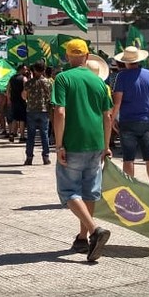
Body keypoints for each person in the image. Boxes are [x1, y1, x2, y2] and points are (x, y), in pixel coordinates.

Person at [51, 39, 113, 262]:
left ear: (68, 57)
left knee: (68, 192)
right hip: (96, 143)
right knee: (89, 192)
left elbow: (60, 113)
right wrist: (106, 146)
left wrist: (59, 145)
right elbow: (108, 117)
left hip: (73, 143)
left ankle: (95, 230)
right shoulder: (99, 83)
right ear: (87, 57)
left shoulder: (63, 78)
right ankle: (82, 238)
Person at [111, 46, 149, 185]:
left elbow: (117, 102)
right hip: (146, 121)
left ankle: (130, 188)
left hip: (127, 121)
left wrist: (113, 119)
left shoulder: (121, 77)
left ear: (125, 61)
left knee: (128, 159)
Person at [23, 61, 53, 165]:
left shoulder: (29, 83)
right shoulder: (49, 82)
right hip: (44, 111)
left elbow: (23, 96)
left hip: (31, 110)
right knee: (44, 134)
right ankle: (46, 156)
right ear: (44, 70)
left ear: (34, 70)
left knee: (30, 135)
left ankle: (29, 157)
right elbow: (52, 96)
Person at [8, 64, 28, 142]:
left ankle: (12, 133)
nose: (26, 71)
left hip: (14, 100)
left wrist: (9, 99)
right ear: (21, 69)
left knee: (15, 118)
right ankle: (22, 136)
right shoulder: (24, 78)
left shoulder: (12, 78)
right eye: (25, 69)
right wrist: (26, 98)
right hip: (22, 101)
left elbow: (8, 89)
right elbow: (26, 89)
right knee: (22, 119)